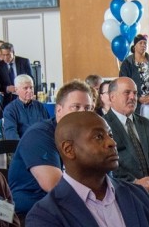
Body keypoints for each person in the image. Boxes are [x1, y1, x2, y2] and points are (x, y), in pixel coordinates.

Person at [8, 80, 94, 218]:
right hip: (31, 211)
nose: (83, 113)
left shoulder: (83, 135)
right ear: (59, 110)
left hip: (65, 206)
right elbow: (55, 186)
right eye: (76, 107)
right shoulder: (39, 135)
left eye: (88, 108)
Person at [103, 77, 149, 198]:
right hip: (127, 193)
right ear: (112, 97)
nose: (132, 97)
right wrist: (135, 184)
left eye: (135, 93)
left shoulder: (147, 124)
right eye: (127, 93)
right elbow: (104, 168)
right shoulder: (103, 126)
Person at [118, 34, 149, 121]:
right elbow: (123, 83)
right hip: (134, 101)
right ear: (134, 46)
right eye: (141, 43)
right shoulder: (127, 63)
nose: (143, 45)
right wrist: (138, 97)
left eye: (145, 43)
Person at [0, 74, 50, 140]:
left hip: (41, 144)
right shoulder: (10, 110)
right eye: (25, 88)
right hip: (22, 146)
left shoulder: (40, 106)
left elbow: (49, 127)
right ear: (16, 90)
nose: (30, 91)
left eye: (31, 87)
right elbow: (11, 135)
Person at [0, 42, 35, 107]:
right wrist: (7, 88)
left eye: (8, 55)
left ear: (13, 52)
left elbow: (31, 79)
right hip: (8, 99)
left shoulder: (24, 62)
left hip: (24, 96)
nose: (5, 57)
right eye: (3, 55)